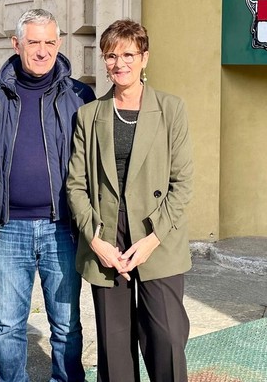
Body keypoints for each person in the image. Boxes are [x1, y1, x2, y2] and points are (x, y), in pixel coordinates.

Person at [0, 8, 95, 382]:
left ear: (60, 43)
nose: (42, 51)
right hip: (9, 228)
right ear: (16, 44)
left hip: (62, 228)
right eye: (33, 42)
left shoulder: (81, 95)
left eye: (49, 42)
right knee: (8, 326)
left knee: (67, 325)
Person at [67, 19, 194, 382]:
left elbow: (182, 183)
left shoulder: (172, 109)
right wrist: (96, 241)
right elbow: (76, 184)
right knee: (114, 343)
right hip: (107, 235)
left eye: (128, 54)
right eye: (111, 56)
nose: (119, 63)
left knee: (167, 337)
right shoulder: (88, 116)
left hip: (157, 234)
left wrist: (154, 238)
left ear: (144, 58)